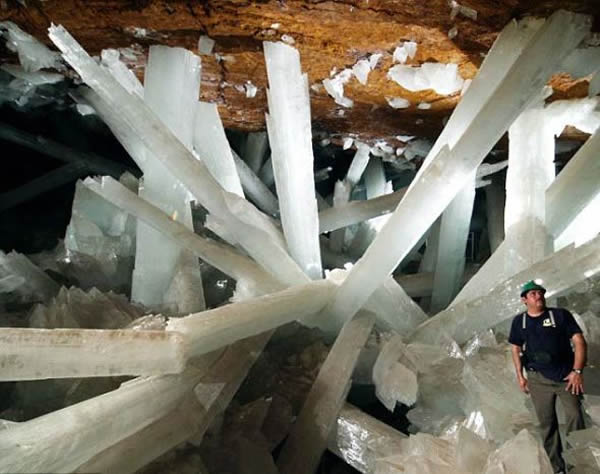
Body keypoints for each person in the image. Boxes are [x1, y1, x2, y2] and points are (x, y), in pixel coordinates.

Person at [509, 280, 587, 473]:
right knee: (546, 424)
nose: (539, 296)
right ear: (524, 300)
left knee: (575, 416)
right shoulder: (520, 322)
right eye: (533, 294)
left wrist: (577, 372)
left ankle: (576, 466)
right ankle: (557, 468)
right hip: (537, 379)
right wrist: (520, 376)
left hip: (566, 378)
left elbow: (579, 341)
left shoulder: (560, 315)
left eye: (540, 293)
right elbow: (515, 348)